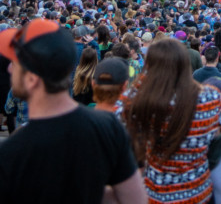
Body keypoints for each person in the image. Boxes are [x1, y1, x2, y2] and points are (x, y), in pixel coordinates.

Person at [0, 18, 145, 204]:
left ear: (32, 78)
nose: (10, 68)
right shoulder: (108, 128)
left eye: (16, 62)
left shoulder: (12, 153)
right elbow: (133, 199)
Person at [121, 36, 221, 203]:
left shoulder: (137, 99)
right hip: (197, 193)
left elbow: (118, 123)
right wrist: (207, 131)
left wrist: (142, 81)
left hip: (155, 194)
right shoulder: (210, 97)